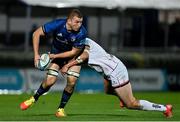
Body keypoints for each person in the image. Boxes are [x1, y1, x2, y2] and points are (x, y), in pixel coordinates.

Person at [59, 38, 173, 118]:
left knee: (131, 104)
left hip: (115, 71)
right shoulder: (78, 42)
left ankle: (165, 108)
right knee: (108, 91)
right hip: (110, 70)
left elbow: (85, 56)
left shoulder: (83, 42)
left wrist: (67, 65)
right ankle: (122, 98)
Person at [20, 9, 87, 117]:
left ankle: (60, 109)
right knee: (50, 81)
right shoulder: (58, 24)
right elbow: (36, 34)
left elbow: (73, 52)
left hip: (73, 57)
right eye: (77, 22)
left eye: (81, 22)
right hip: (57, 55)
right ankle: (34, 98)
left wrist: (67, 65)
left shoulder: (82, 32)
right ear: (69, 20)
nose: (79, 25)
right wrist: (36, 55)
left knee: (72, 81)